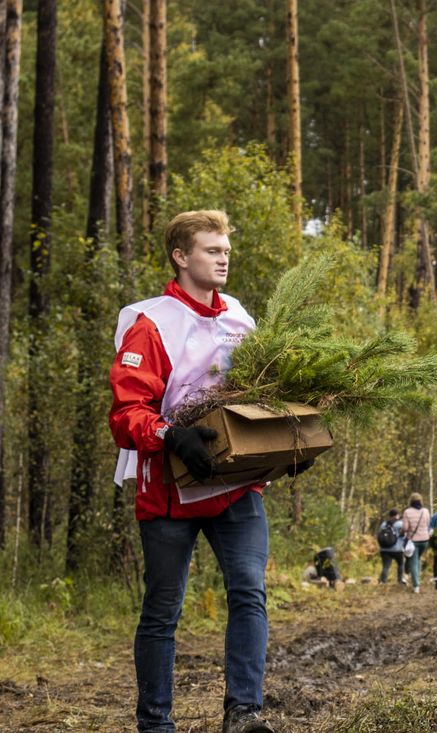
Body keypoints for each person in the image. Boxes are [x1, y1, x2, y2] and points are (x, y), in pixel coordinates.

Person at [109, 210, 300, 733]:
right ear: (180, 256)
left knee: (248, 590)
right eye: (212, 250)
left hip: (236, 488)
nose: (223, 259)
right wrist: (171, 434)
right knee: (163, 608)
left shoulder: (240, 317)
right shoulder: (149, 324)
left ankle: (244, 712)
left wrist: (288, 445)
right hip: (169, 489)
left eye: (226, 251)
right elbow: (126, 414)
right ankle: (155, 723)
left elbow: (264, 395)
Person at [401, 493, 431, 593]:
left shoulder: (407, 512)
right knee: (418, 559)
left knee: (413, 562)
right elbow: (428, 524)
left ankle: (416, 585)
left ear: (410, 501)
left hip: (413, 540)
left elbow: (405, 528)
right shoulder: (426, 511)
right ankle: (417, 580)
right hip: (425, 540)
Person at [378, 509, 406, 585]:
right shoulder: (400, 524)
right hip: (398, 549)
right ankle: (400, 580)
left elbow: (379, 534)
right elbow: (404, 535)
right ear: (397, 515)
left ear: (389, 515)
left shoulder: (384, 524)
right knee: (401, 564)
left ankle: (383, 581)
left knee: (386, 566)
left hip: (384, 549)